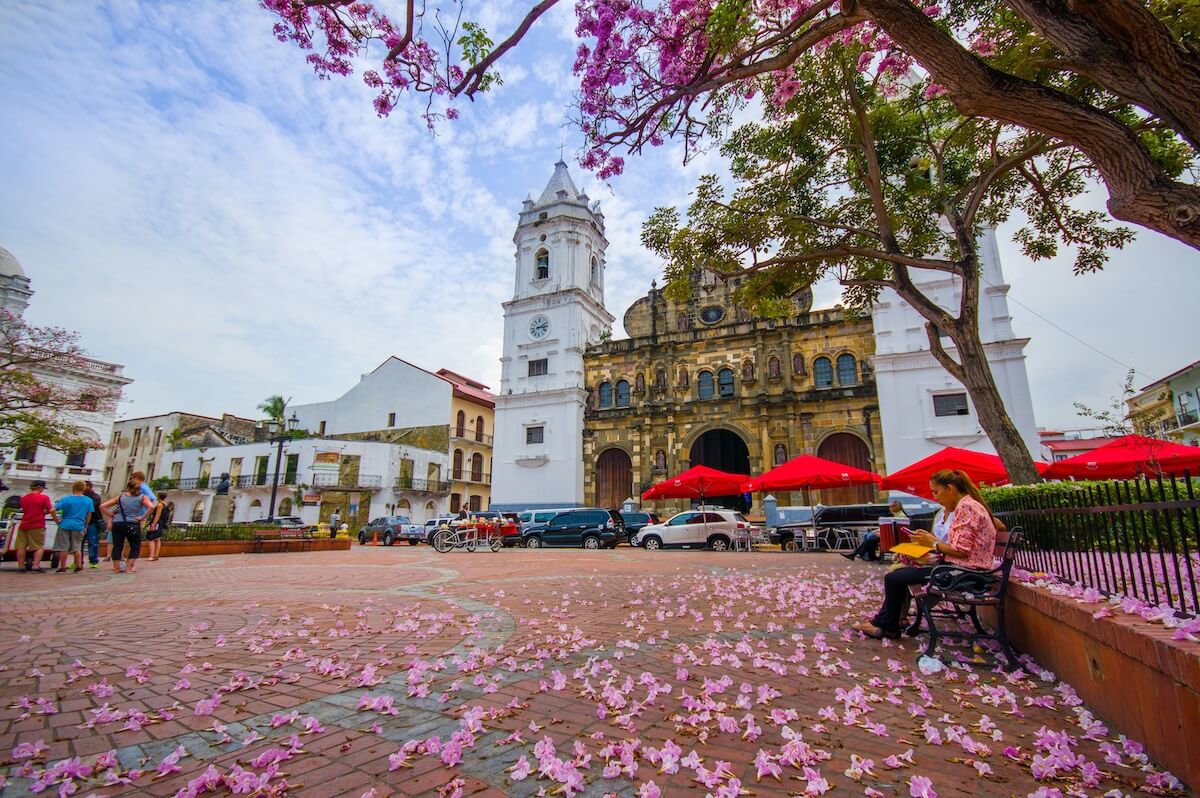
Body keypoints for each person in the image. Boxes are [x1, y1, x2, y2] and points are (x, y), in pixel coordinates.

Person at [852, 470, 997, 640]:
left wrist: (933, 543)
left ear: (949, 488)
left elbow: (961, 551)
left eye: (936, 492)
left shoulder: (966, 507)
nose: (936, 497)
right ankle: (884, 623)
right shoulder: (968, 505)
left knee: (894, 578)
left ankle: (888, 626)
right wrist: (929, 541)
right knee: (898, 574)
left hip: (964, 575)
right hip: (964, 571)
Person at [101, 480, 154, 574]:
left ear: (128, 487)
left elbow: (102, 506)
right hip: (133, 523)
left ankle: (117, 568)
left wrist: (112, 515)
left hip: (118, 524)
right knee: (135, 546)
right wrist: (142, 517)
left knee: (117, 546)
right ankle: (128, 568)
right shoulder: (142, 497)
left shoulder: (120, 497)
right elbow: (151, 507)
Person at [843, 501, 908, 563]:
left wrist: (881, 534)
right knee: (871, 539)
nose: (889, 508)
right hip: (892, 537)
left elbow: (894, 530)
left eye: (891, 507)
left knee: (870, 539)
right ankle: (866, 555)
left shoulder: (900, 516)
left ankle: (858, 554)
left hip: (893, 539)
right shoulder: (898, 515)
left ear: (895, 508)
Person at [15, 480, 58, 573]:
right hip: (37, 524)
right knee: (38, 547)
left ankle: (21, 566)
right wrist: (53, 518)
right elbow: (51, 510)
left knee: (21, 546)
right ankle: (36, 565)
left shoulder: (24, 498)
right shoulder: (44, 498)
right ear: (40, 487)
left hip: (24, 524)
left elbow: (26, 509)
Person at [53, 481, 93, 573]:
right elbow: (89, 514)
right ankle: (79, 565)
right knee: (77, 546)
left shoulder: (66, 499)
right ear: (83, 488)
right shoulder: (88, 500)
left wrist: (57, 520)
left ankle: (63, 566)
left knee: (63, 547)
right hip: (79, 524)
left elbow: (52, 510)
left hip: (65, 523)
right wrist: (86, 526)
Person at [144, 491, 172, 561]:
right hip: (161, 523)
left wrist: (153, 524)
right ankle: (156, 555)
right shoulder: (166, 505)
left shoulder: (160, 505)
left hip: (156, 523)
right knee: (158, 539)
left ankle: (152, 555)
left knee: (151, 538)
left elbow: (157, 515)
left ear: (158, 496)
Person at [83, 480, 104, 568]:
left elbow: (92, 506)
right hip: (82, 522)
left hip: (93, 522)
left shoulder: (95, 497)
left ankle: (93, 560)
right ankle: (78, 561)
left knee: (93, 542)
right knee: (80, 542)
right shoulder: (82, 496)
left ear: (90, 487)